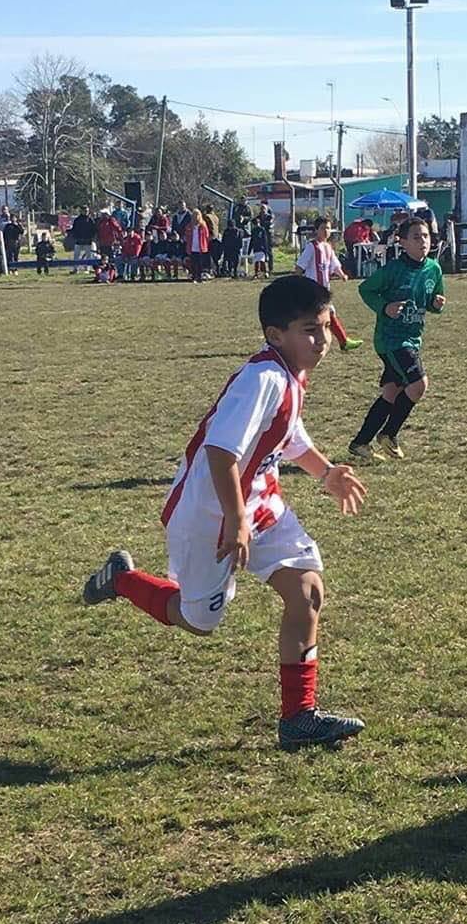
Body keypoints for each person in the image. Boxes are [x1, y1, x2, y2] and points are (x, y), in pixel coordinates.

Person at [82, 274, 367, 751]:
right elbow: (220, 453)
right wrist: (235, 521)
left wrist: (325, 472)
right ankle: (122, 578)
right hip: (211, 514)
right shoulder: (262, 378)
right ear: (276, 335)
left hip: (258, 501)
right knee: (198, 622)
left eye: (324, 326)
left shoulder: (290, 373)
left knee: (307, 591)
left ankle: (298, 718)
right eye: (308, 330)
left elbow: (289, 436)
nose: (321, 341)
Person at [349, 217, 446, 462]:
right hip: (391, 340)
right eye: (416, 237)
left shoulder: (434, 268)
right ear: (402, 242)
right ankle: (389, 434)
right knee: (418, 385)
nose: (423, 241)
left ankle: (361, 442)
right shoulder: (392, 270)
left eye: (425, 236)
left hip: (413, 339)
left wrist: (437, 305)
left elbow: (433, 299)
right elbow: (366, 289)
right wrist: (385, 307)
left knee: (392, 391)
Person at [295, 216, 363, 353]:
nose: (326, 231)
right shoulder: (311, 247)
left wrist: (342, 274)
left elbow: (335, 264)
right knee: (327, 313)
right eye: (323, 228)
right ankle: (343, 341)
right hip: (313, 290)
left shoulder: (328, 247)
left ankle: (341, 341)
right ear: (316, 230)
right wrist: (299, 283)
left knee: (316, 316)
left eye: (328, 228)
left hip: (324, 289)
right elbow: (299, 267)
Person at [184, 208, 210, 283]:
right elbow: (187, 234)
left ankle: (200, 277)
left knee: (200, 263)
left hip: (201, 246)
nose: (195, 217)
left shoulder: (203, 225)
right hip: (192, 246)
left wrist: (205, 244)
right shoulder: (189, 225)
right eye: (194, 215)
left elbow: (207, 235)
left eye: (197, 215)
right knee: (193, 262)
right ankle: (194, 277)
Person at [70, 206, 97, 273]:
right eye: (85, 211)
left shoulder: (90, 220)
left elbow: (94, 230)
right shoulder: (77, 220)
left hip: (88, 240)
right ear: (81, 211)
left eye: (87, 211)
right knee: (76, 256)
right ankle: (75, 269)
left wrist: (92, 238)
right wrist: (75, 237)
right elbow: (74, 229)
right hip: (79, 241)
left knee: (89, 256)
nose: (86, 212)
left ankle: (87, 269)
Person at [202, 203, 222, 276]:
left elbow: (207, 227)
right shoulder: (216, 217)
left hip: (210, 237)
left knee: (208, 255)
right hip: (216, 237)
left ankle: (209, 270)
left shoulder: (207, 216)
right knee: (215, 256)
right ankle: (217, 270)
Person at [258, 201, 275, 273]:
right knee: (261, 252)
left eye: (264, 208)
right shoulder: (258, 217)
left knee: (269, 252)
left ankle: (270, 268)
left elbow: (271, 224)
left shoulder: (269, 216)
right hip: (261, 236)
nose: (262, 210)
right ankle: (262, 268)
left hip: (268, 235)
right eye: (261, 208)